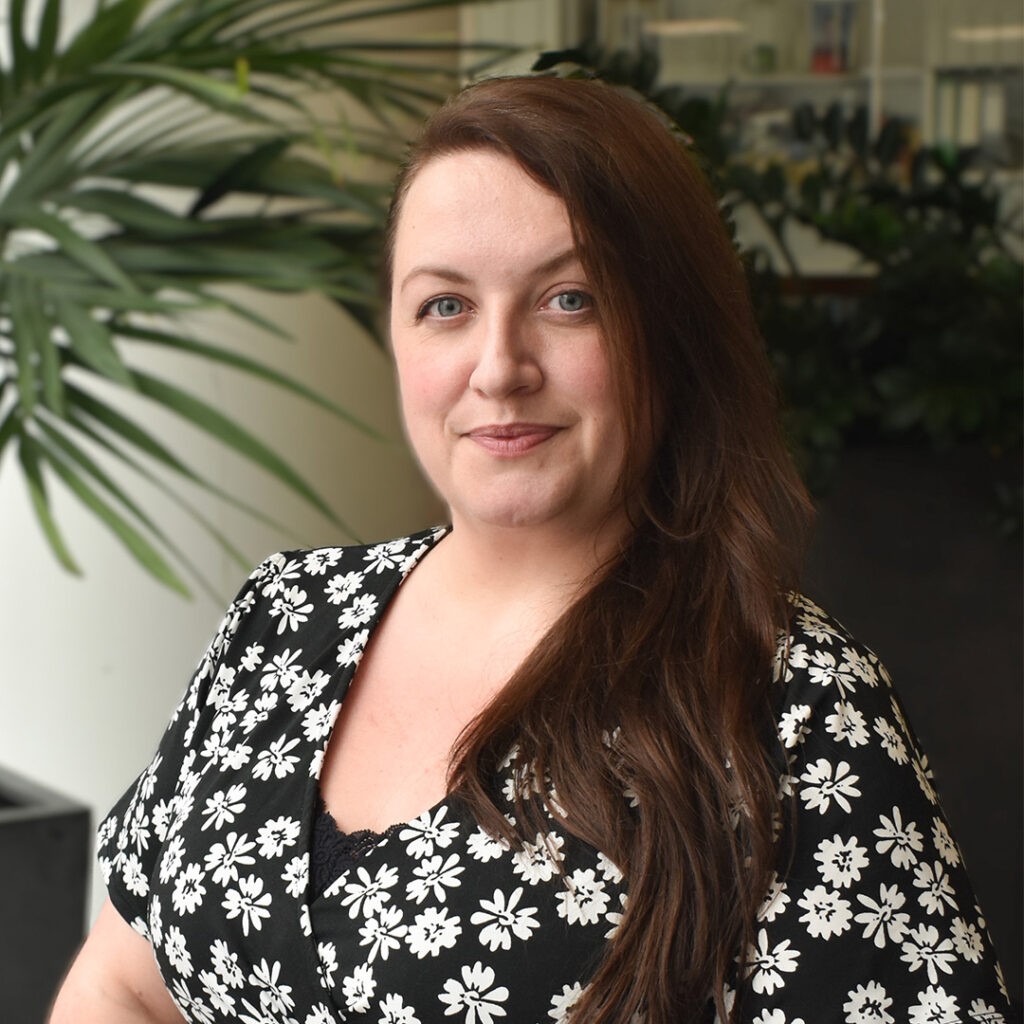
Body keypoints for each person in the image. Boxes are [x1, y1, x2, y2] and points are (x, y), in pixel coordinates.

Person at [51, 75, 1011, 1024]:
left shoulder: (788, 701)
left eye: (569, 299)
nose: (499, 367)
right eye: (445, 306)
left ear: (669, 335)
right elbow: (124, 983)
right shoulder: (285, 618)